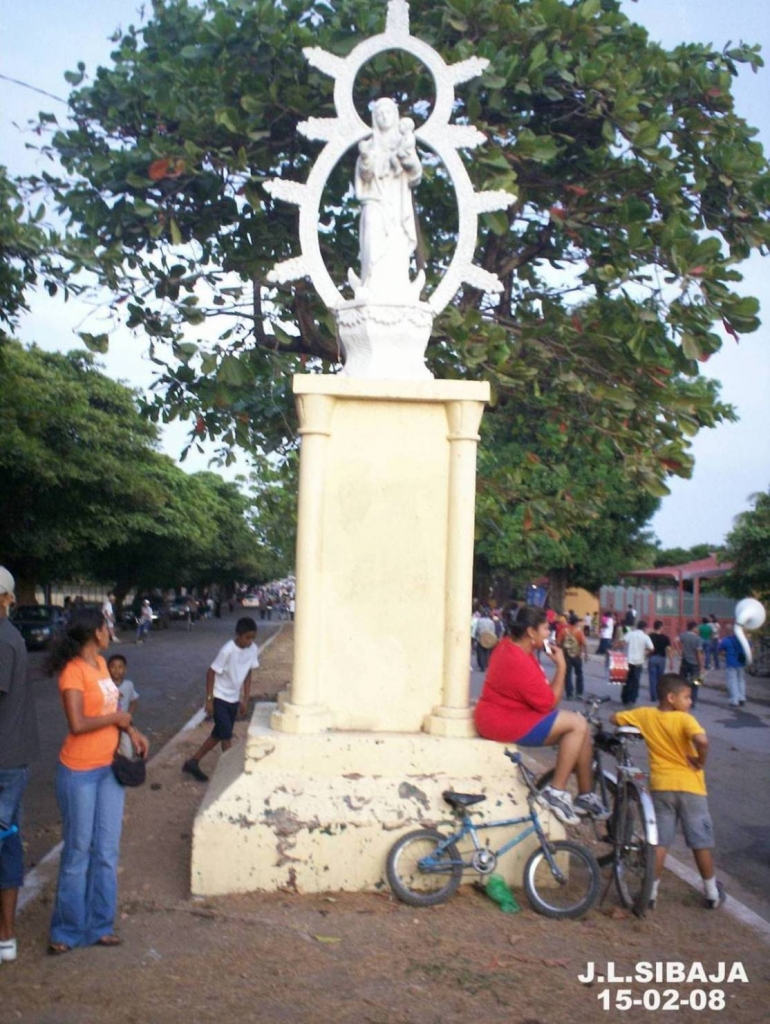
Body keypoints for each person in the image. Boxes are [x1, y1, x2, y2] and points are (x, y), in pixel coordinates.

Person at [45, 607, 149, 953]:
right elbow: (78, 724)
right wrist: (119, 717)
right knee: (78, 850)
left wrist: (131, 730)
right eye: (107, 626)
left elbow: (110, 711)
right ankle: (66, 931)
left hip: (109, 768)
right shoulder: (73, 673)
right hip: (79, 772)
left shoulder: (102, 666)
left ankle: (100, 925)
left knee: (106, 850)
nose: (110, 630)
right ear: (95, 633)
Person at [474, 604, 608, 825]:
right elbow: (548, 703)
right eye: (545, 629)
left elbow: (545, 698)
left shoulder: (514, 647)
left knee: (581, 729)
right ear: (531, 632)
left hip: (510, 714)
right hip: (501, 720)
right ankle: (556, 792)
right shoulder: (517, 659)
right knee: (576, 724)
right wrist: (562, 667)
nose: (549, 634)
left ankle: (585, 795)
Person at [611, 674, 725, 911]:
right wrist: (699, 761)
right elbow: (702, 742)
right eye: (686, 697)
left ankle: (650, 893)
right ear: (671, 698)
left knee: (661, 842)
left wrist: (637, 729)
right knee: (700, 842)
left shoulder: (645, 715)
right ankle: (712, 892)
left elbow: (615, 718)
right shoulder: (685, 720)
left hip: (662, 787)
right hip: (691, 788)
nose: (690, 702)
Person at [0, 567, 39, 967]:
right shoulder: (12, 637)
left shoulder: (1, 639)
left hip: (3, 765)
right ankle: (6, 936)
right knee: (8, 842)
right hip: (12, 759)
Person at [351, 98, 423, 301]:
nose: (384, 117)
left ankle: (398, 287)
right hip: (374, 200)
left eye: (388, 113)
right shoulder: (369, 145)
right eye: (380, 114)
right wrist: (366, 158)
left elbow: (416, 174)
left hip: (397, 204)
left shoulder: (403, 142)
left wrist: (406, 160)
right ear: (375, 119)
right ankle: (370, 284)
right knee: (372, 239)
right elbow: (364, 177)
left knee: (396, 243)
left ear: (395, 116)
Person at [182, 618, 259, 783]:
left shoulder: (252, 649)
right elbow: (210, 673)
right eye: (247, 637)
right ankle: (228, 773)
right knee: (226, 735)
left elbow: (248, 673)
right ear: (238, 635)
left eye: (253, 637)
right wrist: (209, 700)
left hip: (233, 698)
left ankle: (193, 762)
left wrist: (245, 699)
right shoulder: (228, 650)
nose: (250, 641)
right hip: (219, 697)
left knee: (219, 733)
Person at [108, 654, 139, 758]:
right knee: (109, 752)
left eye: (120, 667)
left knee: (127, 753)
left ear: (125, 670)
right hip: (108, 724)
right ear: (107, 669)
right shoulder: (105, 685)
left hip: (124, 725)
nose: (116, 670)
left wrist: (129, 715)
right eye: (113, 666)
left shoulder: (128, 685)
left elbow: (134, 701)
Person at [621, 620, 653, 706]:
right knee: (635, 681)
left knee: (627, 680)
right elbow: (651, 648)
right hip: (638, 661)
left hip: (629, 660)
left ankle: (625, 698)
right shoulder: (645, 637)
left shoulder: (631, 634)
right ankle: (632, 698)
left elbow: (623, 642)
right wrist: (645, 654)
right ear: (644, 628)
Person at [557, 613, 586, 700]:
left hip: (566, 656)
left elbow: (558, 642)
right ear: (576, 622)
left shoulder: (563, 631)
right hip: (577, 656)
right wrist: (586, 654)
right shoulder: (579, 632)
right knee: (579, 674)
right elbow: (584, 644)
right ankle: (579, 693)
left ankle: (569, 694)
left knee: (568, 675)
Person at [717, 623, 746, 707]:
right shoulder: (743, 639)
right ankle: (742, 698)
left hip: (731, 662)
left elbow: (719, 649)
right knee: (741, 680)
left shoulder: (726, 640)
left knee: (732, 681)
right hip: (741, 662)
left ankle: (734, 699)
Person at [678, 621, 705, 707]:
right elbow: (699, 653)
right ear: (693, 628)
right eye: (696, 627)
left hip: (685, 661)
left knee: (682, 681)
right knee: (696, 684)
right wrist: (702, 666)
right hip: (695, 663)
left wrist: (679, 650)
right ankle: (693, 701)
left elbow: (675, 641)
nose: (697, 629)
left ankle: (681, 699)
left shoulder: (683, 635)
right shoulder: (698, 639)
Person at [647, 620, 673, 703]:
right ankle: (659, 695)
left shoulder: (650, 636)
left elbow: (647, 648)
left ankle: (653, 696)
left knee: (652, 678)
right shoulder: (665, 638)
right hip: (661, 658)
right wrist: (671, 661)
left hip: (652, 657)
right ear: (661, 627)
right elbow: (669, 649)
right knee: (660, 678)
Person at [473, 608, 497, 672]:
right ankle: (486, 664)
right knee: (487, 652)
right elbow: (493, 631)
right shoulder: (491, 622)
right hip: (489, 639)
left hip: (481, 638)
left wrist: (476, 636)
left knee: (480, 652)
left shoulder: (480, 621)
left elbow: (477, 629)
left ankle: (482, 666)